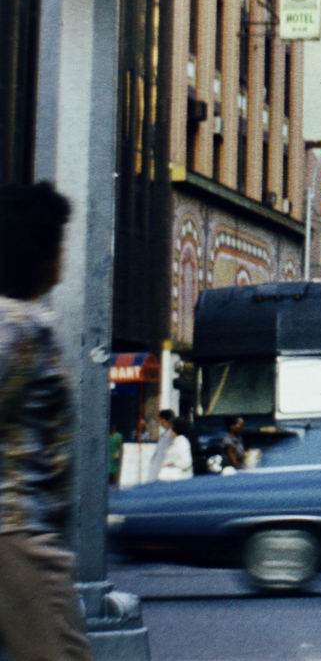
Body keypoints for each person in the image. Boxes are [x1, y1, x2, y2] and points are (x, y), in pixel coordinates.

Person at [0, 181, 91, 661]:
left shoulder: (22, 323)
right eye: (60, 240)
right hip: (18, 537)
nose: (64, 252)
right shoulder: (18, 328)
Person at [150, 409, 192, 481]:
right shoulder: (170, 439)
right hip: (166, 476)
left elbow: (186, 462)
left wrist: (171, 463)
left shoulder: (182, 442)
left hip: (178, 478)